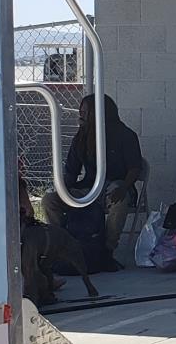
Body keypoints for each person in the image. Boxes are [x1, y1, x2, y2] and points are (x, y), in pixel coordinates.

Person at [45, 93, 144, 272]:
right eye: (80, 111)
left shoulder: (125, 135)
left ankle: (106, 252)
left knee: (119, 202)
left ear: (100, 113)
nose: (80, 115)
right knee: (49, 200)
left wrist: (124, 188)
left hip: (117, 186)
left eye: (85, 112)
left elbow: (135, 168)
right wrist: (64, 191)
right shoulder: (82, 136)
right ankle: (60, 245)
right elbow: (71, 171)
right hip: (88, 189)